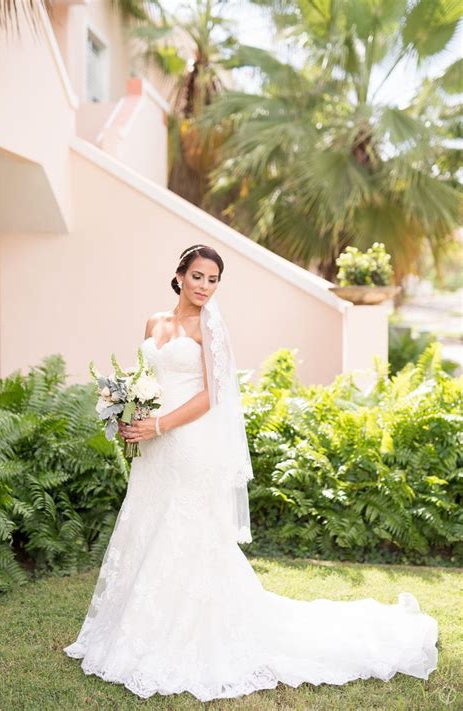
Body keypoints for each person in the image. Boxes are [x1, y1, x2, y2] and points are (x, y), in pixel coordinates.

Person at [63, 244, 438, 702]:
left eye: (214, 279)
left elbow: (213, 396)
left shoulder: (210, 328)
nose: (204, 287)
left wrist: (159, 424)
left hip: (188, 445)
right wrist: (130, 414)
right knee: (148, 528)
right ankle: (136, 632)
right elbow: (150, 382)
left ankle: (185, 639)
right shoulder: (153, 322)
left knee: (184, 536)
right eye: (198, 276)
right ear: (179, 275)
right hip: (154, 450)